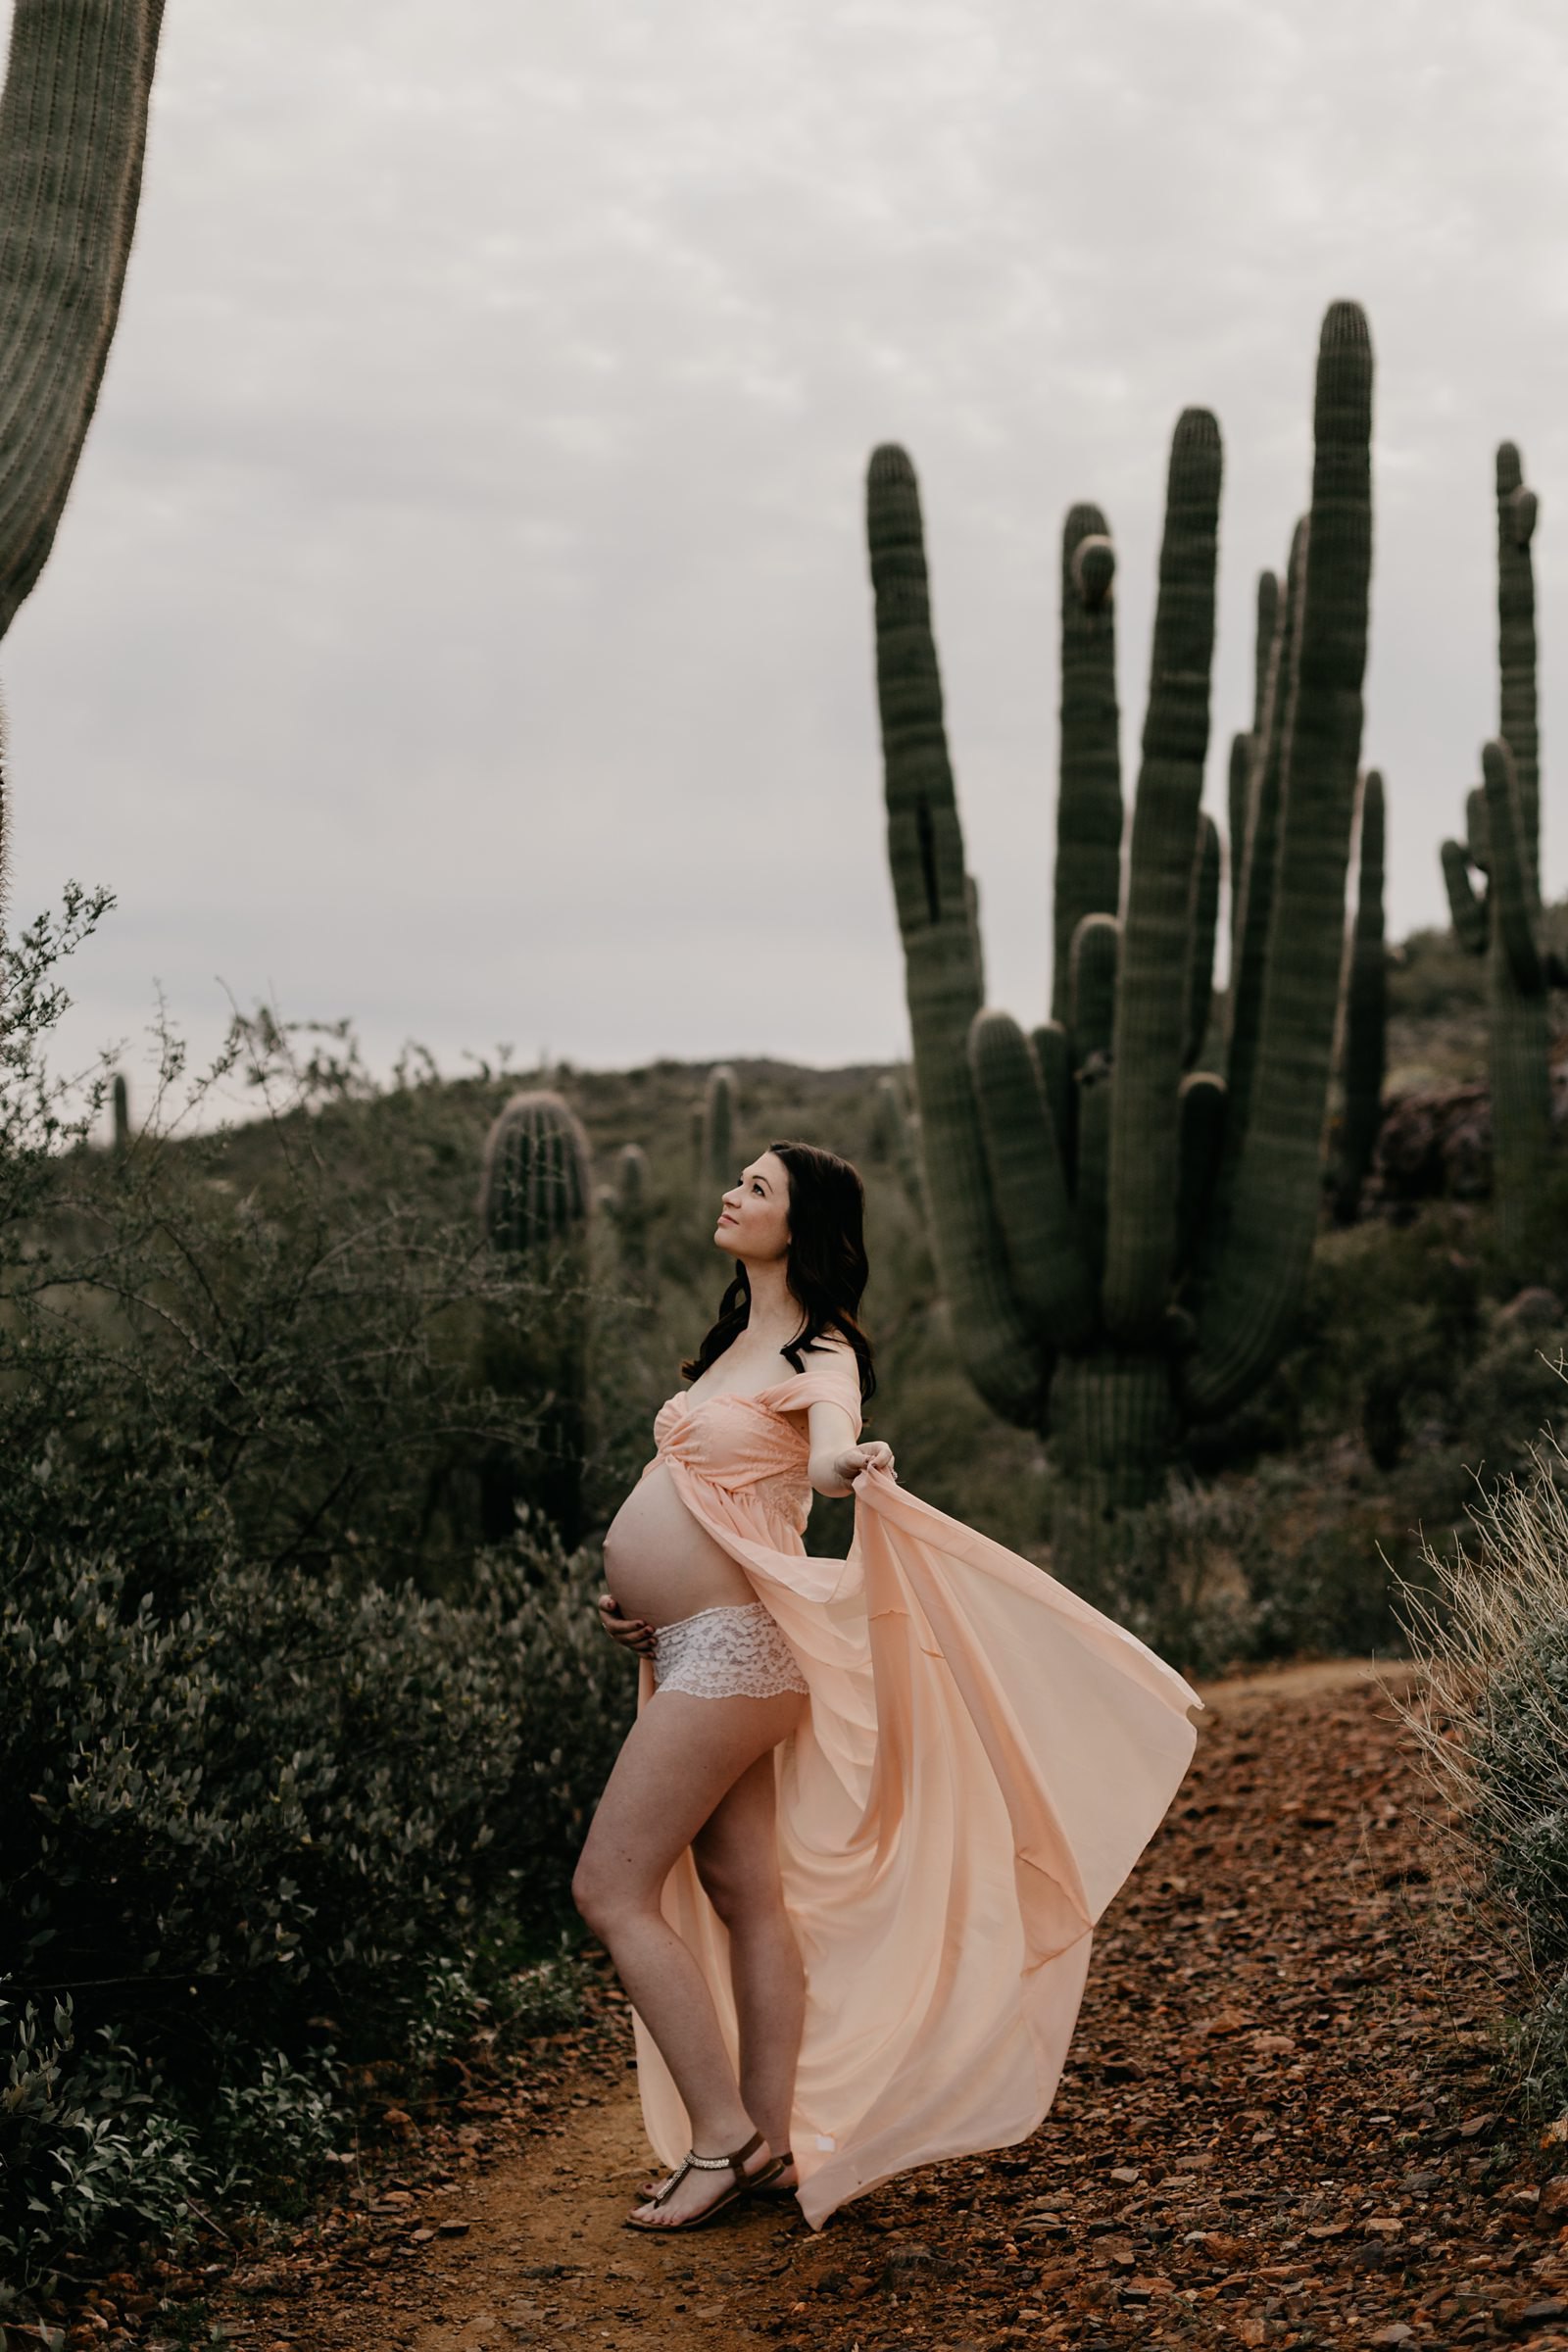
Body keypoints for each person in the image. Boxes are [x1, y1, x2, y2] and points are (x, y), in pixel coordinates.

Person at [573, 1139, 1201, 2235]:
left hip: (734, 1651)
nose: (731, 1194)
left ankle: (717, 2138)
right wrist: (629, 1602)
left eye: (756, 1189)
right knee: (744, 1896)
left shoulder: (824, 1353)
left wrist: (854, 1466)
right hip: (684, 1646)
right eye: (738, 1179)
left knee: (608, 1889)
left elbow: (822, 1457)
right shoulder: (731, 1341)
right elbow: (689, 1486)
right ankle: (766, 2142)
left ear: (799, 1224)